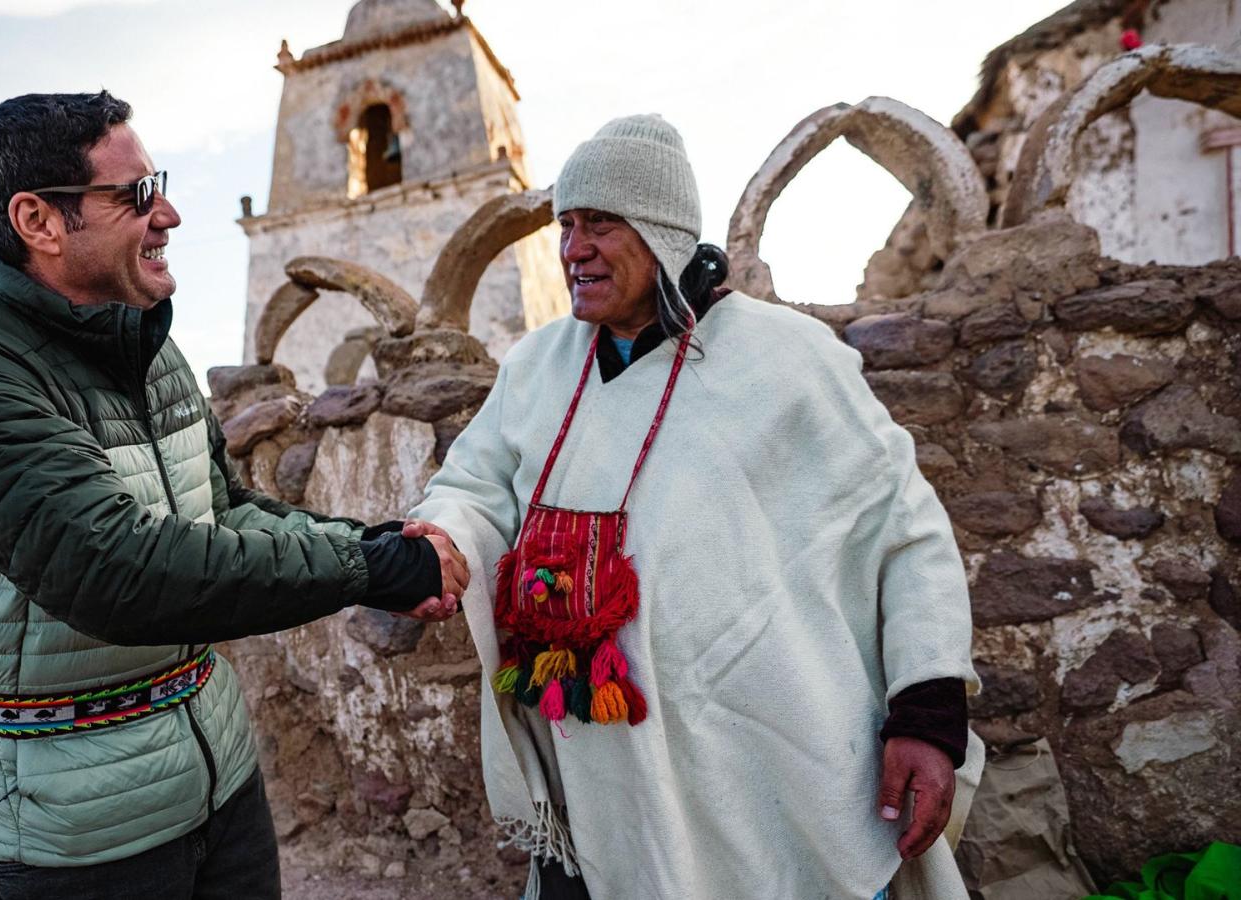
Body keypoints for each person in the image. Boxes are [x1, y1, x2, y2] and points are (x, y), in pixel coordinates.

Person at [0, 91, 466, 900]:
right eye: (136, 194)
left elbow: (224, 512)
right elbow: (116, 571)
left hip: (217, 780)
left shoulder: (149, 350)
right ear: (39, 221)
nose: (170, 214)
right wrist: (375, 570)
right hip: (74, 831)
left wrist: (378, 545)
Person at [406, 114, 981, 899]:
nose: (573, 248)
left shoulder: (790, 360)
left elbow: (904, 532)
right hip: (595, 766)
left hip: (767, 759)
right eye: (566, 225)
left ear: (663, 231)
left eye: (600, 224)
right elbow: (473, 487)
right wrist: (440, 541)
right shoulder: (536, 366)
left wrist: (927, 711)